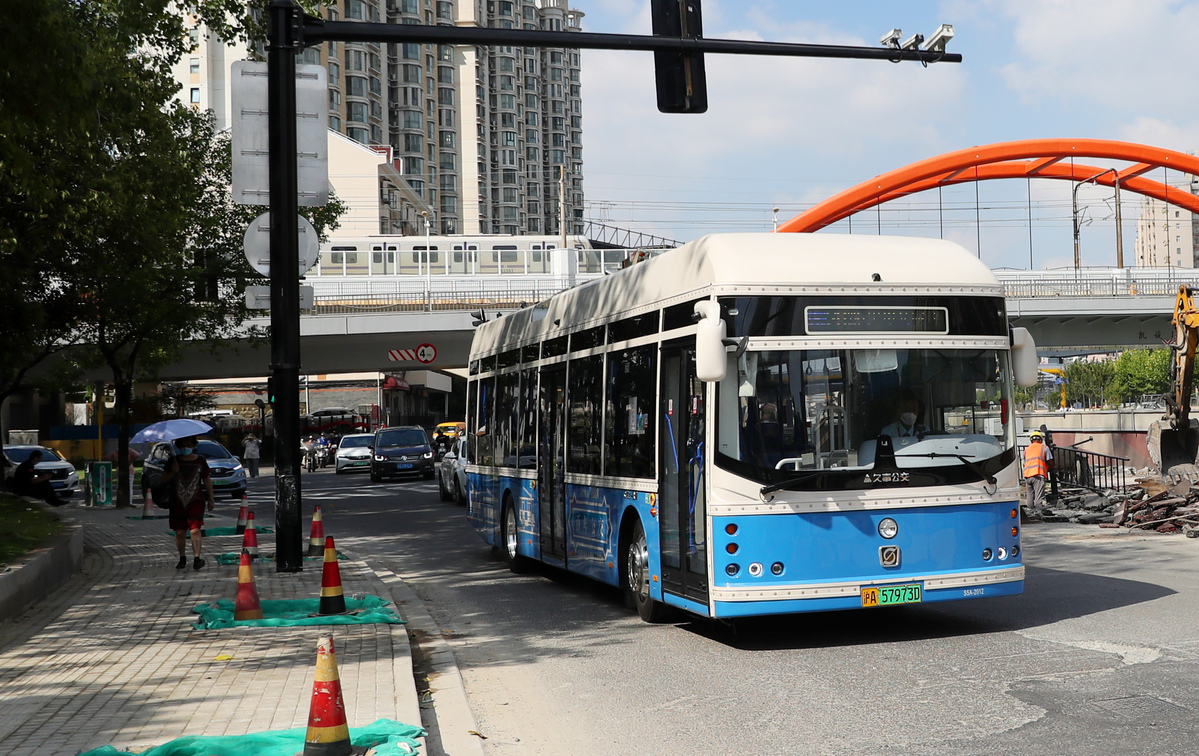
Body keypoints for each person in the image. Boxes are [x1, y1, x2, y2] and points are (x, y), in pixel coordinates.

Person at [161, 436, 215, 570]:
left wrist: (211, 498)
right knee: (180, 531)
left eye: (189, 444)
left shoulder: (200, 461)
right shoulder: (173, 462)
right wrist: (174, 471)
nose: (186, 447)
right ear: (179, 446)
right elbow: (163, 480)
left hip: (196, 500)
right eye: (184, 444)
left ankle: (197, 558)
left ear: (193, 445)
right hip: (177, 501)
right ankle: (182, 558)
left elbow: (207, 480)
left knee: (195, 530)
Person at [1022, 429, 1054, 519]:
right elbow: (1050, 462)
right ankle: (1039, 511)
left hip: (1027, 475)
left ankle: (1030, 513)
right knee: (1038, 497)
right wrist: (1051, 469)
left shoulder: (1027, 449)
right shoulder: (1044, 448)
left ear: (1031, 440)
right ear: (1040, 439)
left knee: (1029, 498)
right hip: (1038, 475)